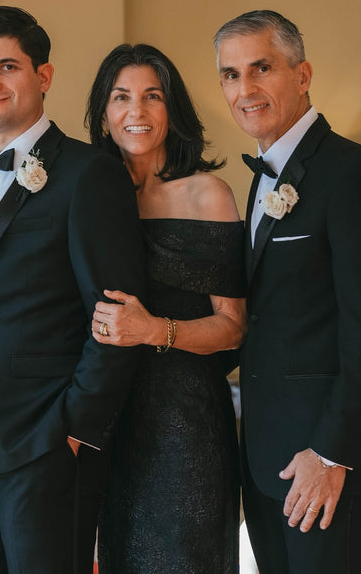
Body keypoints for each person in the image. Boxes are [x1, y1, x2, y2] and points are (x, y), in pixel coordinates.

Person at [0, 5, 148, 573]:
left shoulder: (89, 173)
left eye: (7, 66)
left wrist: (76, 427)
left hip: (46, 439)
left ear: (43, 76)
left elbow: (116, 311)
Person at [213, 9, 361, 574]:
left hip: (328, 464)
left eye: (261, 68)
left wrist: (331, 454)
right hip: (270, 463)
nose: (244, 89)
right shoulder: (261, 179)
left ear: (302, 75)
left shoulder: (353, 173)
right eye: (230, 74)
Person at [84, 43, 245, 573]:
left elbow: (233, 328)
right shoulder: (84, 198)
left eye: (152, 96)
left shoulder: (208, 195)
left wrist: (155, 329)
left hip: (186, 419)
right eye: (121, 97)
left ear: (171, 108)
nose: (136, 111)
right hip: (106, 416)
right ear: (103, 113)